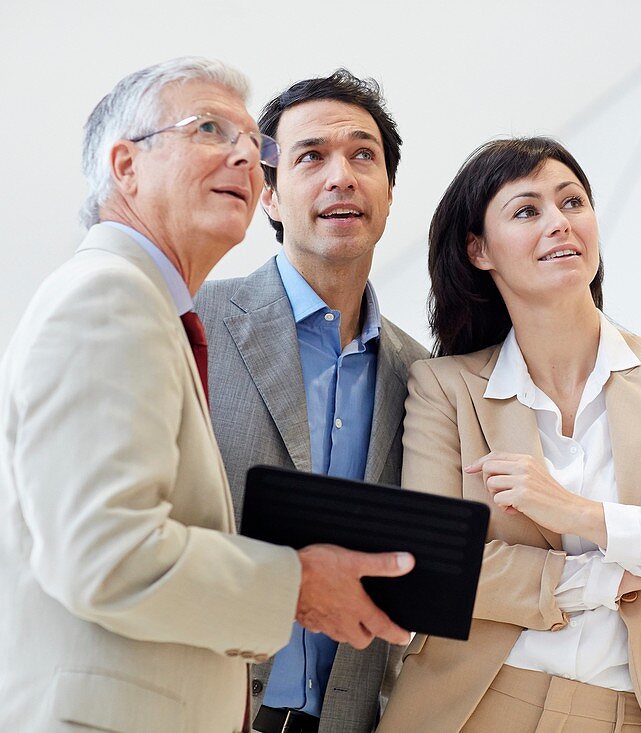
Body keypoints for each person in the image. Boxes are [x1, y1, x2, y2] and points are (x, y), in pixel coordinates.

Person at [0, 57, 414, 733]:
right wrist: (298, 585)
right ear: (127, 165)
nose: (244, 159)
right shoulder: (109, 297)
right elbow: (107, 550)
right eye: (210, 130)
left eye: (254, 146)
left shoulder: (150, 306)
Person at [380, 138, 641, 733]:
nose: (559, 223)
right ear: (478, 249)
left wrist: (583, 515)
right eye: (527, 210)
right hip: (481, 707)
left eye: (572, 202)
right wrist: (638, 561)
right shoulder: (445, 389)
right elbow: (437, 570)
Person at [195, 69, 429, 733]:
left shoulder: (424, 377)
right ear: (267, 194)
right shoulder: (193, 324)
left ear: (388, 194)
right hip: (208, 706)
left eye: (364, 155)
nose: (341, 176)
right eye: (311, 156)